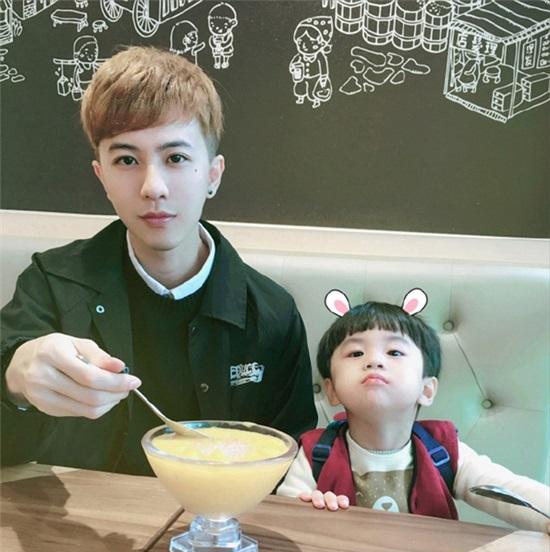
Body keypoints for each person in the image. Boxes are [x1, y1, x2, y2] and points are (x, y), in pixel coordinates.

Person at [1, 46, 316, 475]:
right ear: (102, 177)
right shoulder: (52, 284)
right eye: (127, 160)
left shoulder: (271, 313)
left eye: (176, 158)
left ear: (213, 174)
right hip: (84, 516)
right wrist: (14, 382)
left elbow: (288, 464)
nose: (153, 187)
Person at [277, 290, 549, 533]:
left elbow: (507, 490)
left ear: (426, 389)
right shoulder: (315, 453)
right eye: (356, 353)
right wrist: (311, 511)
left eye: (394, 352)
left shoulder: (444, 451)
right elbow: (284, 519)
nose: (374, 360)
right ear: (331, 390)